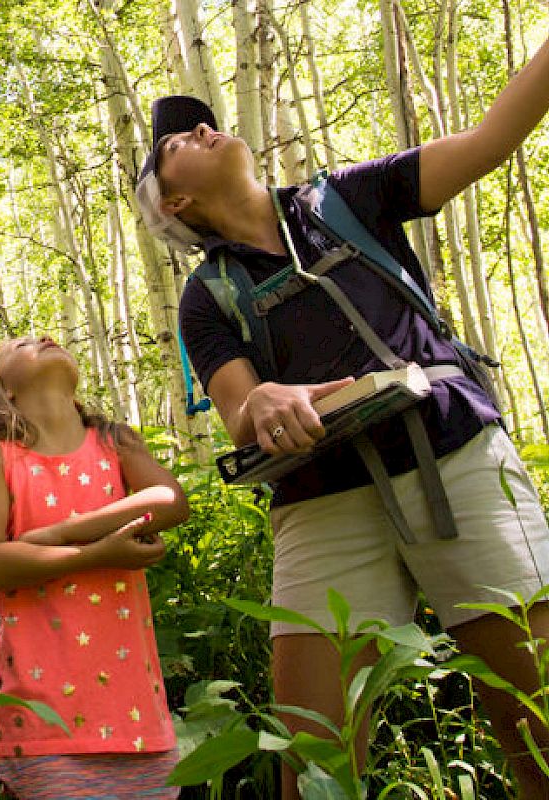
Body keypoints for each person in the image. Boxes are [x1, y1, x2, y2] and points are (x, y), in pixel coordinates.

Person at [136, 37, 549, 798]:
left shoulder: (347, 197)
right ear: (175, 204)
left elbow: (492, 139)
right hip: (321, 501)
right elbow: (239, 411)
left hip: (456, 456)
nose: (200, 130)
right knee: (316, 769)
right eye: (175, 143)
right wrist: (263, 400)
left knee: (538, 729)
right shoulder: (207, 296)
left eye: (200, 124)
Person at [0, 336, 190, 800]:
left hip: (138, 719)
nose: (44, 337)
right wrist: (97, 553)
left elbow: (169, 501)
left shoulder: (114, 441)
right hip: (43, 724)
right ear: (3, 389)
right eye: (21, 343)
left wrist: (63, 531)